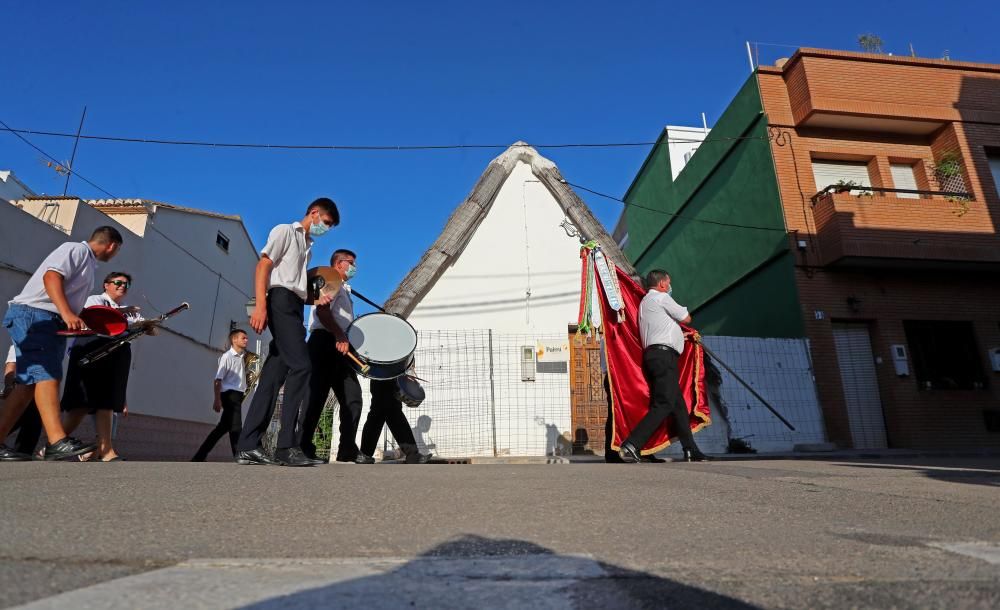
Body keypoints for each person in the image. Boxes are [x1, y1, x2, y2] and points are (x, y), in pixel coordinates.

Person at [0, 227, 123, 461]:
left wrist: (80, 317)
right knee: (48, 374)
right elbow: (51, 276)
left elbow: (73, 302)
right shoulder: (75, 249)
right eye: (116, 251)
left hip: (49, 320)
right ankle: (57, 441)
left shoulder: (88, 264)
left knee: (27, 385)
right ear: (112, 245)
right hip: (36, 315)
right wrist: (67, 313)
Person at [237, 198, 339, 467]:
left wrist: (316, 298)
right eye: (326, 223)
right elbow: (264, 266)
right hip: (278, 301)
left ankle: (247, 445)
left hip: (294, 305)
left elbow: (295, 286)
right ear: (314, 213)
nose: (326, 229)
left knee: (273, 376)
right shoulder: (285, 231)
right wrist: (260, 306)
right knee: (302, 367)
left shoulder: (308, 247)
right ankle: (286, 447)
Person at [618, 270, 710, 463]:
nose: (669, 287)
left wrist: (679, 336)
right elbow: (686, 318)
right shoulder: (661, 298)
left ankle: (690, 449)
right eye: (668, 283)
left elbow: (660, 329)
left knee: (678, 406)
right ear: (661, 284)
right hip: (663, 357)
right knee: (664, 404)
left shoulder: (645, 303)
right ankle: (633, 443)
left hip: (655, 355)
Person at [60, 272, 143, 462]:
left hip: (116, 353)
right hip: (92, 350)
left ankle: (106, 450)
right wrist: (123, 313)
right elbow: (95, 315)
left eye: (126, 285)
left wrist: (148, 325)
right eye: (118, 283)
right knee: (81, 403)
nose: (122, 286)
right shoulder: (95, 299)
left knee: (107, 401)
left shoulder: (129, 310)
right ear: (106, 285)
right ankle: (53, 444)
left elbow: (147, 328)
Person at [299, 249, 363, 463]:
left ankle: (347, 449)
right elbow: (322, 312)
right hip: (325, 341)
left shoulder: (345, 288)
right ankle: (303, 446)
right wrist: (339, 335)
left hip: (340, 344)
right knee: (315, 396)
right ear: (338, 264)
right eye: (350, 262)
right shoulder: (330, 281)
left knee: (352, 397)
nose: (354, 266)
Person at [192, 328, 249, 461]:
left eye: (246, 338)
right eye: (243, 338)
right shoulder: (227, 357)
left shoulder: (242, 357)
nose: (246, 340)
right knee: (236, 426)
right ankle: (239, 456)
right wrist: (217, 400)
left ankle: (199, 456)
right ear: (234, 339)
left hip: (237, 394)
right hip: (229, 395)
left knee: (222, 429)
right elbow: (218, 380)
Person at [356, 377, 432, 464]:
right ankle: (413, 454)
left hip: (386, 374)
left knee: (380, 412)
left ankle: (365, 454)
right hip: (384, 374)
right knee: (390, 411)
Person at [0, 346, 42, 459]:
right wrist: (9, 387)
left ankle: (23, 454)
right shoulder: (23, 338)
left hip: (36, 392)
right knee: (14, 417)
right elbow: (11, 365)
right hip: (22, 390)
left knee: (35, 418)